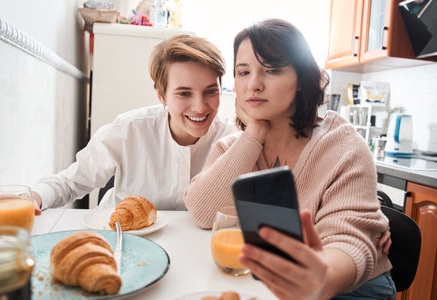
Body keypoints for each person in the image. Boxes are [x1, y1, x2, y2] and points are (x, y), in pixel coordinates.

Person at [184, 19, 395, 299]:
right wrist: (255, 133)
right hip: (266, 282)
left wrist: (323, 276)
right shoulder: (234, 147)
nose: (254, 85)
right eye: (243, 72)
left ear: (301, 78)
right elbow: (203, 213)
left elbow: (349, 236)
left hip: (348, 289)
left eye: (272, 70)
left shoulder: (342, 144)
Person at [32, 34, 237, 214]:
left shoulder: (231, 139)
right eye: (184, 93)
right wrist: (34, 198)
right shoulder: (129, 129)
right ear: (161, 95)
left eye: (211, 91)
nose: (200, 107)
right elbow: (70, 182)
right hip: (121, 238)